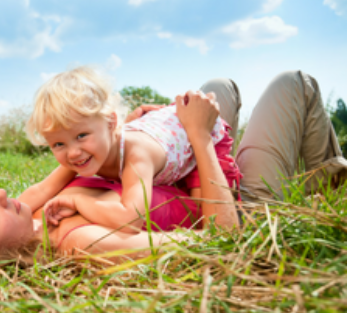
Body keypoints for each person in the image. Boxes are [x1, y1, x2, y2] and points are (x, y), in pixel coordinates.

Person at [0, 70, 347, 289]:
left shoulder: (36, 210)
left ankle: (309, 174)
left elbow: (76, 164)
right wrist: (198, 137)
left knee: (218, 87)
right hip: (236, 202)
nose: (1, 194)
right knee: (296, 85)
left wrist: (127, 129)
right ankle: (315, 185)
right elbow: (222, 239)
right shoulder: (73, 238)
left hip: (182, 171)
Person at [21, 66, 241, 232]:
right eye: (58, 144)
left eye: (81, 135)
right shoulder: (84, 154)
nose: (73, 152)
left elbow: (130, 218)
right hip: (162, 133)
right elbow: (42, 190)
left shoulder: (136, 157)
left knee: (207, 218)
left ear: (110, 123)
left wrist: (78, 202)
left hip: (195, 135)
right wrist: (0, 213)